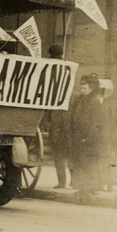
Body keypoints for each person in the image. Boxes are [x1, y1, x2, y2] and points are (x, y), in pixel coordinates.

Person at [69, 73, 107, 194]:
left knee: (89, 165)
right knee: (81, 164)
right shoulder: (81, 101)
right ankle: (83, 188)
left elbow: (96, 123)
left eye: (85, 88)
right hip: (79, 139)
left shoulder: (94, 102)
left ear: (91, 88)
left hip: (90, 141)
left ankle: (90, 189)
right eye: (81, 88)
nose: (82, 90)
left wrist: (89, 138)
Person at [45, 45, 71, 189]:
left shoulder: (52, 67)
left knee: (59, 156)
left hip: (58, 122)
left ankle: (62, 181)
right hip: (65, 123)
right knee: (69, 155)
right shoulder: (67, 68)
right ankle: (73, 180)